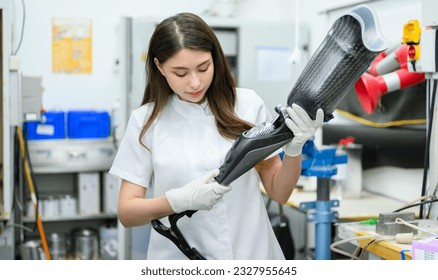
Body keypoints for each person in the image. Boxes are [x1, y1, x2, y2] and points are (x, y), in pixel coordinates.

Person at [109, 12, 324, 260]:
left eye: (203, 67)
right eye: (181, 73)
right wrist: (178, 201)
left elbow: (279, 192)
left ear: (215, 58)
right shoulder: (146, 121)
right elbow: (127, 212)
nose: (195, 82)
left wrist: (294, 150)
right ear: (159, 66)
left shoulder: (247, 104)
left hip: (253, 256)